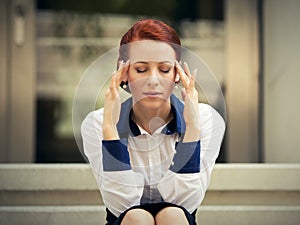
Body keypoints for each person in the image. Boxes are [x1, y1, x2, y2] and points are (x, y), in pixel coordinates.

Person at [81, 19, 225, 225]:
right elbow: (122, 204)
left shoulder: (206, 119)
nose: (153, 80)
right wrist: (110, 129)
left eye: (165, 69)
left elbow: (185, 203)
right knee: (136, 218)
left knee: (172, 215)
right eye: (141, 69)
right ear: (124, 74)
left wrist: (192, 129)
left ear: (177, 74)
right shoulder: (97, 123)